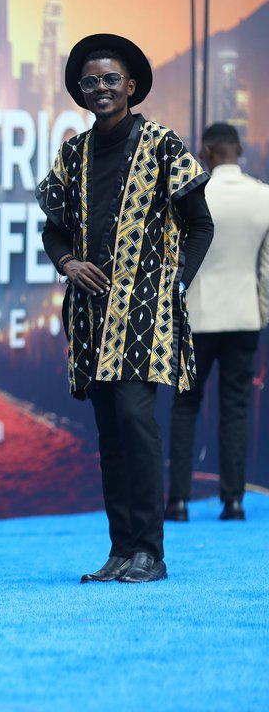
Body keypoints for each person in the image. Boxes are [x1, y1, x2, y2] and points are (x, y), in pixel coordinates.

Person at [38, 34, 213, 584]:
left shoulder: (163, 144)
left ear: (131, 86)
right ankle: (120, 549)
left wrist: (174, 283)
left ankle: (150, 553)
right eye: (91, 82)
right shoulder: (73, 152)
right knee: (110, 432)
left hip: (144, 314)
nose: (101, 89)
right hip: (91, 315)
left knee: (137, 424)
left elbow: (201, 225)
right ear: (81, 92)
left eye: (111, 79)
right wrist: (66, 263)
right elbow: (53, 231)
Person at [167, 123, 269, 523]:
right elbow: (267, 270)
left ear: (206, 152)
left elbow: (178, 257)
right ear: (239, 150)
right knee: (236, 408)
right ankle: (234, 501)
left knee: (185, 405)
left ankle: (177, 501)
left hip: (197, 314)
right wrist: (260, 313)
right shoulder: (264, 196)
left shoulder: (194, 193)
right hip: (244, 316)